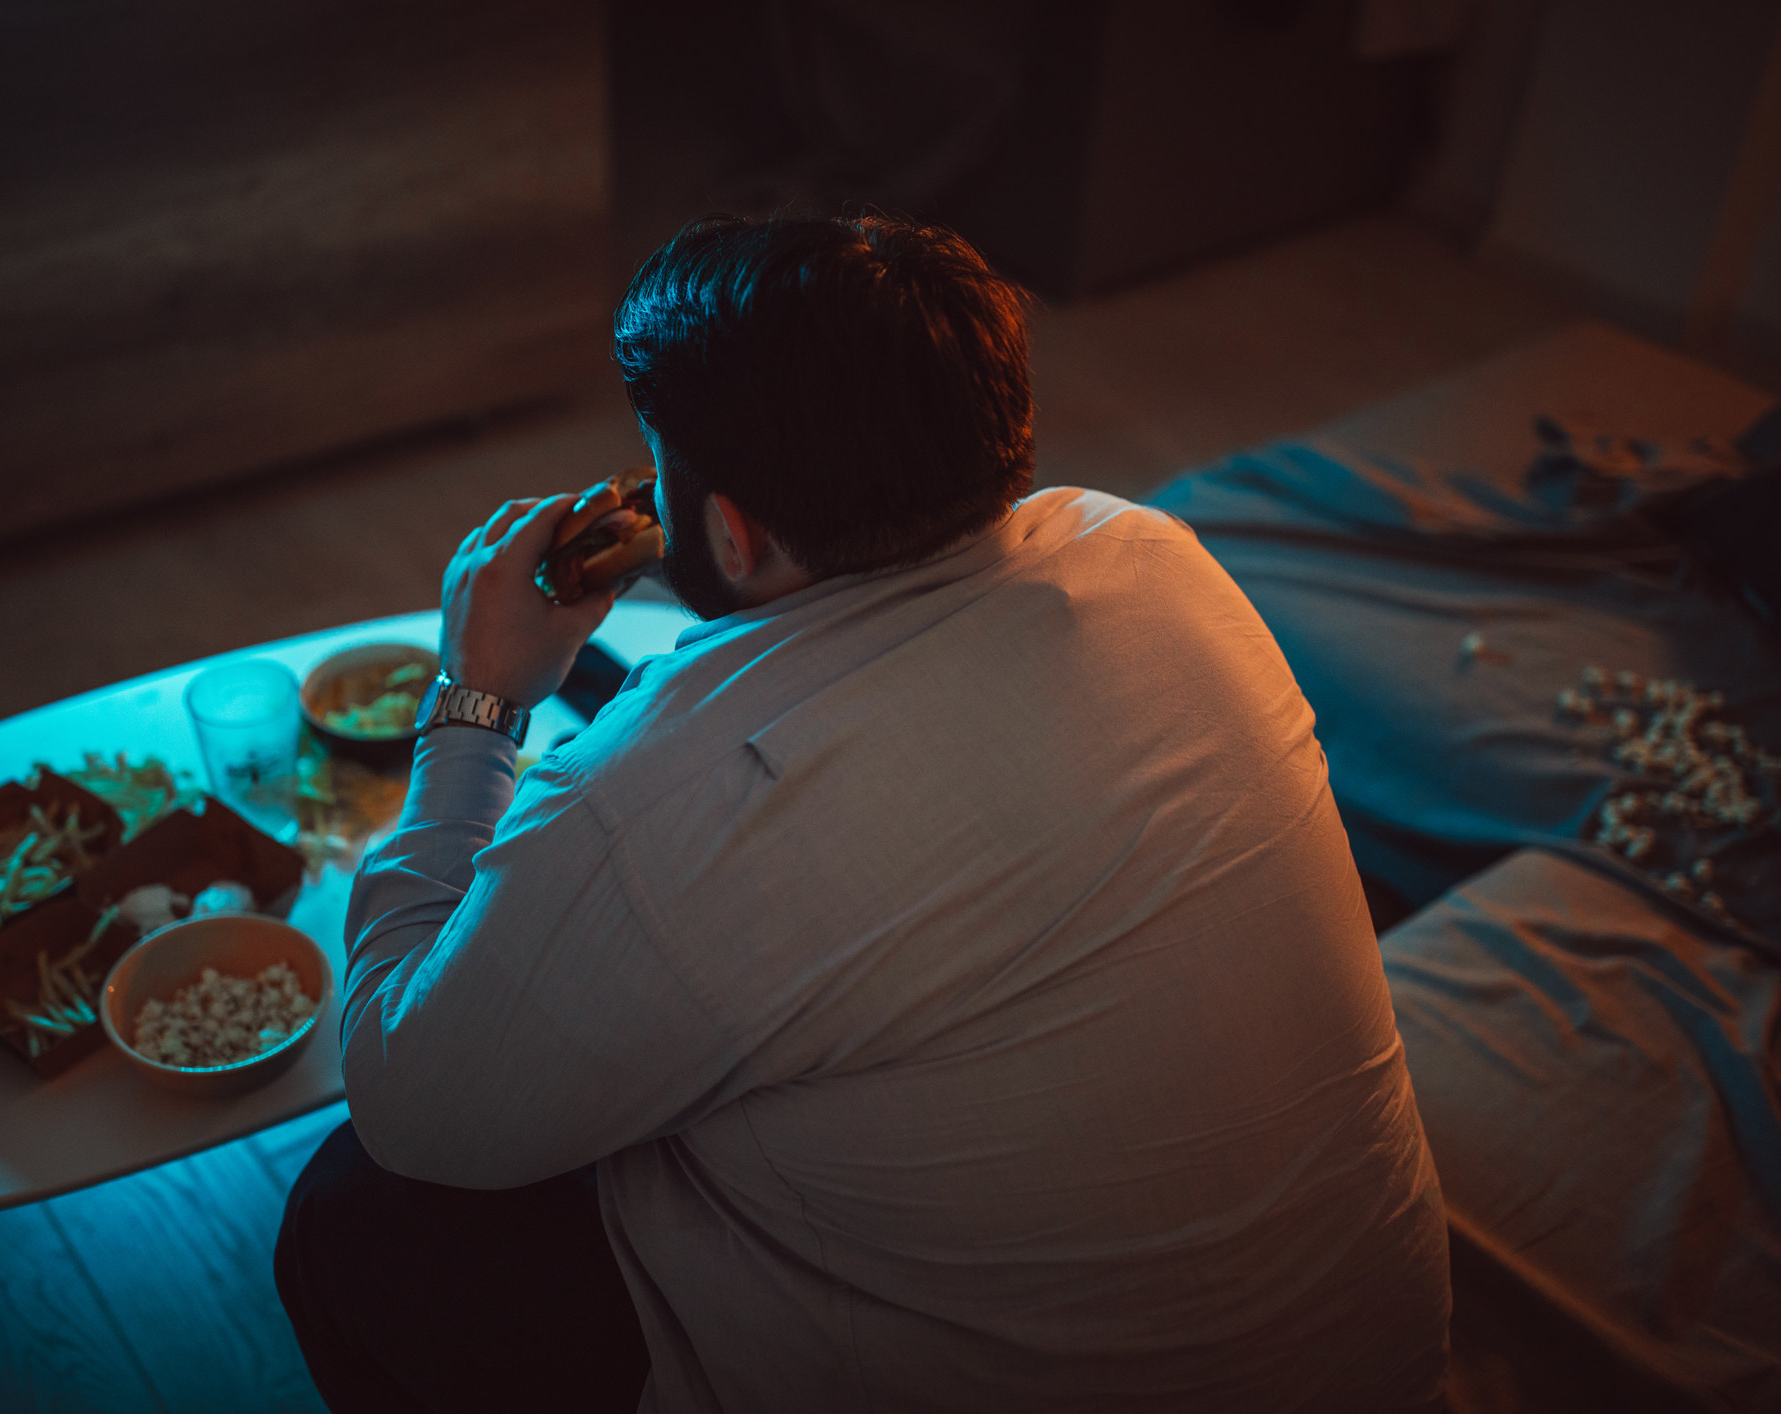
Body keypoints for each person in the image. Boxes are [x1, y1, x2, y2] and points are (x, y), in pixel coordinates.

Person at [274, 214, 1451, 1413]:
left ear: (728, 527)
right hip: (1381, 1360)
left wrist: (474, 701)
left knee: (353, 1211)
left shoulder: (679, 792)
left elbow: (413, 1096)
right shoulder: (1155, 555)